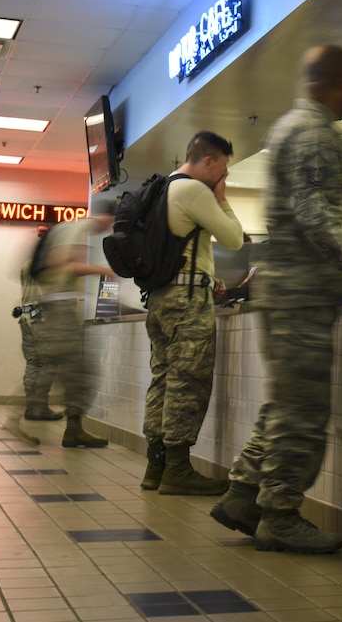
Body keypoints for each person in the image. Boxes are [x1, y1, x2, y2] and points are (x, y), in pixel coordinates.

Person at [210, 45, 342, 553]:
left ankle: (244, 496)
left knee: (286, 404)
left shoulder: (290, 126)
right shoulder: (314, 132)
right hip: (304, 296)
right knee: (304, 412)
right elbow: (315, 213)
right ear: (335, 81)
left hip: (288, 291)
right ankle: (281, 514)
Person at [141, 131, 244, 495]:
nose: (223, 176)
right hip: (186, 303)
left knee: (163, 379)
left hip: (160, 298)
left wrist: (206, 276)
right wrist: (222, 198)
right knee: (188, 381)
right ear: (210, 161)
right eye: (224, 168)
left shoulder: (164, 186)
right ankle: (178, 470)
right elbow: (233, 238)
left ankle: (155, 467)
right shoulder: (196, 191)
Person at [33, 197, 117, 447]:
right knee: (80, 369)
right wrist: (103, 270)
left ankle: (73, 427)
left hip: (57, 305)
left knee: (66, 367)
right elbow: (65, 266)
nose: (109, 229)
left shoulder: (70, 227)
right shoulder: (80, 228)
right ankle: (73, 428)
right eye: (112, 223)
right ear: (108, 218)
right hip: (60, 307)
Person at [16, 259, 60, 421]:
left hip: (26, 317)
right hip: (41, 318)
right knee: (48, 363)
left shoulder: (27, 264)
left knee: (33, 362)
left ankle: (31, 407)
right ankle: (40, 407)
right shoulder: (48, 264)